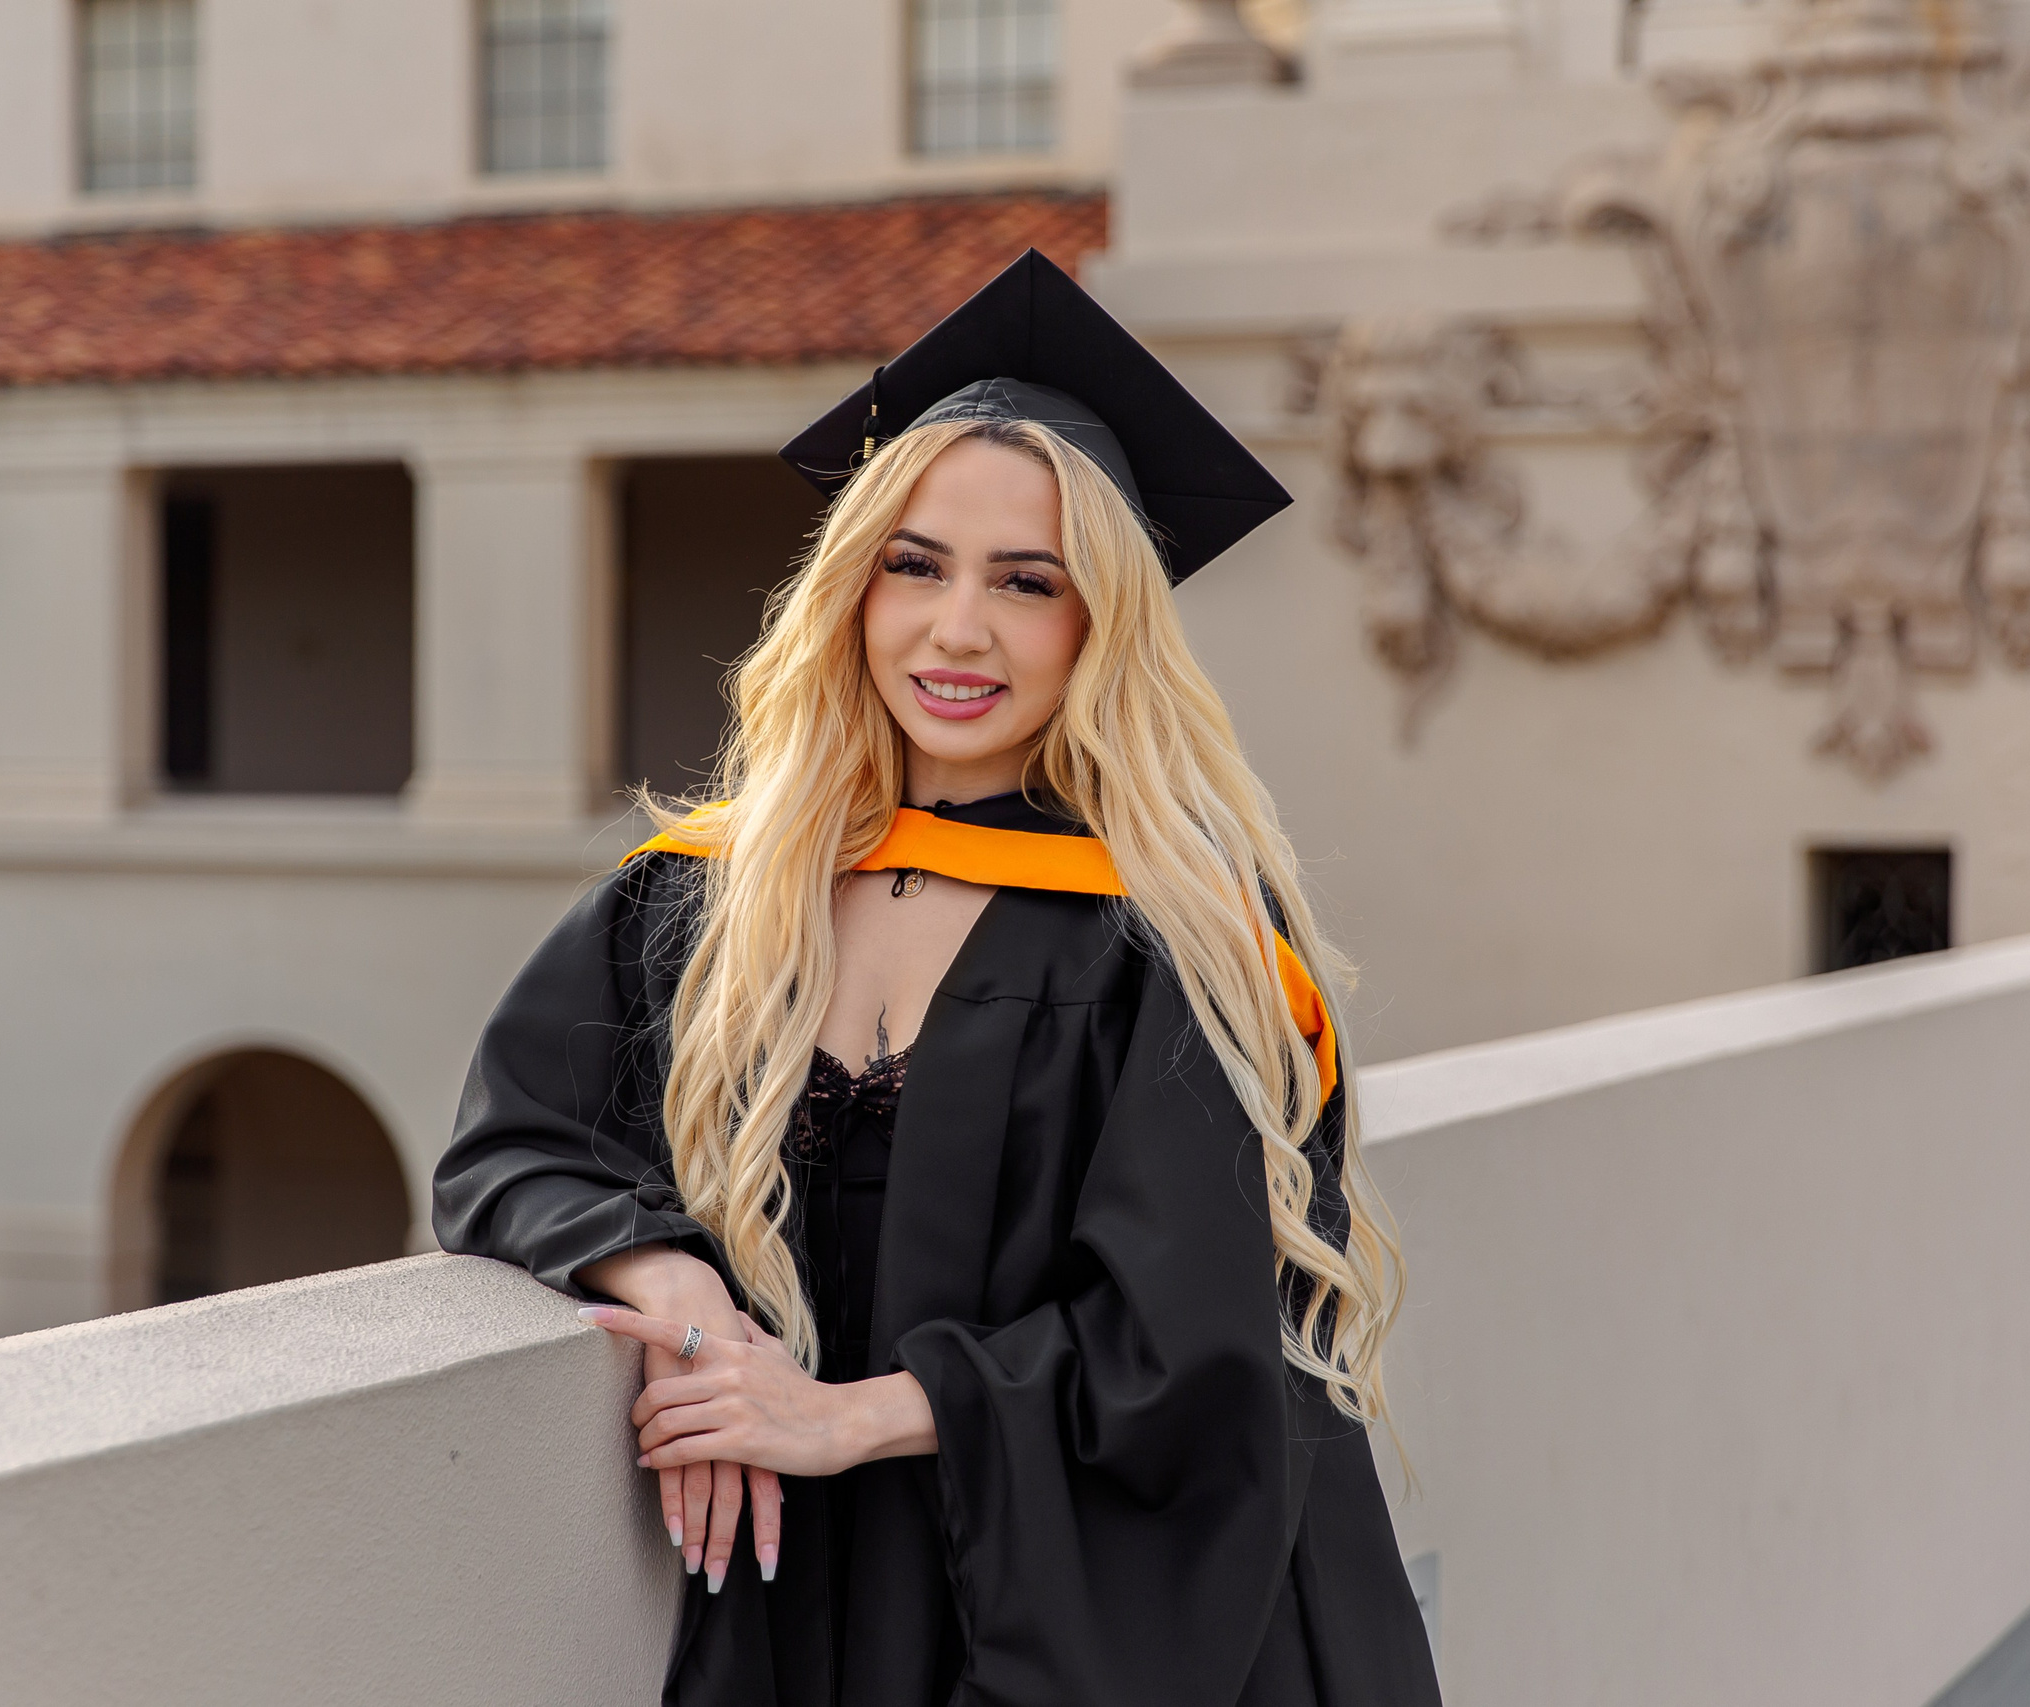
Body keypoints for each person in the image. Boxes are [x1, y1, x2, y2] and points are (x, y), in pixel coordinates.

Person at [434, 251, 1441, 1707]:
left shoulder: (1175, 944)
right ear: (850, 587)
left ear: (1100, 627)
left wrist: (840, 1421)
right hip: (805, 1613)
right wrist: (682, 1291)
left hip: (1098, 1626)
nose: (955, 630)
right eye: (914, 564)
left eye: (1027, 584)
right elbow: (517, 1142)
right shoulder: (704, 899)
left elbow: (1185, 1354)